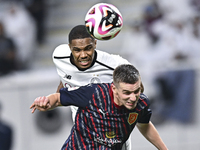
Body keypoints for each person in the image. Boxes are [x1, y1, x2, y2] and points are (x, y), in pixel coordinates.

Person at [30, 64, 168, 150]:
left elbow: (144, 125)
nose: (133, 98)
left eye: (136, 91)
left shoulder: (141, 104)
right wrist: (46, 101)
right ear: (114, 88)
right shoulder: (93, 94)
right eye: (126, 92)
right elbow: (58, 98)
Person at [52, 25, 133, 150]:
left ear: (95, 43)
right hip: (82, 136)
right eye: (77, 50)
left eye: (88, 48)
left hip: (111, 138)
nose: (83, 55)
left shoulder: (115, 64)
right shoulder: (59, 56)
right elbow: (65, 81)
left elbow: (138, 90)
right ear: (70, 48)